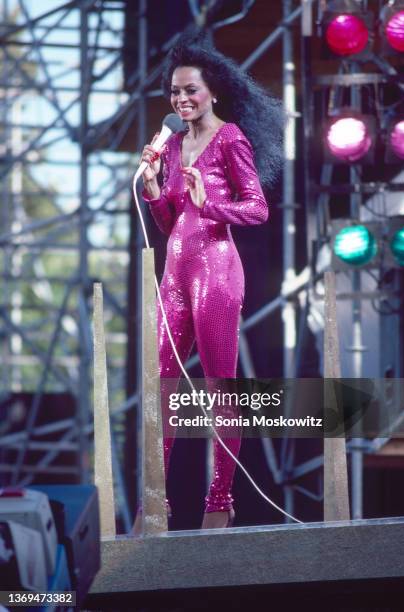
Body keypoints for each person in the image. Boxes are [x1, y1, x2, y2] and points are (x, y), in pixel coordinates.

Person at [137, 31, 282, 530]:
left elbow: (257, 208)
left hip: (216, 271)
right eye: (175, 92)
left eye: (191, 90)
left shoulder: (231, 138)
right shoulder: (174, 145)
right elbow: (169, 223)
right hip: (174, 270)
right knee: (163, 386)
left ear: (213, 90)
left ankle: (220, 501)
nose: (182, 99)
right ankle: (154, 502)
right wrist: (156, 190)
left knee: (220, 386)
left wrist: (210, 203)